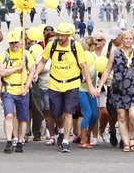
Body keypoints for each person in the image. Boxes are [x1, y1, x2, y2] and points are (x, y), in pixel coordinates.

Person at [32, 23, 93, 153]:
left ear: (68, 35)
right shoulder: (52, 45)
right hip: (55, 84)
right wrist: (36, 73)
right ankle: (60, 129)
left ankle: (65, 140)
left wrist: (91, 86)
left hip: (72, 83)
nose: (59, 37)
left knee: (68, 112)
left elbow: (84, 67)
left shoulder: (75, 46)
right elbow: (43, 60)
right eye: (58, 34)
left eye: (62, 35)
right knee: (56, 113)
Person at [98, 30, 134, 152]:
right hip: (119, 89)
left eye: (131, 39)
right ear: (122, 40)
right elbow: (108, 70)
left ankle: (132, 137)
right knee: (122, 116)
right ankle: (125, 142)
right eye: (126, 39)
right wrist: (100, 87)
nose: (129, 41)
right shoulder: (115, 53)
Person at [0, 30, 35, 153]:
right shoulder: (5, 55)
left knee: (23, 118)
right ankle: (9, 141)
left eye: (16, 42)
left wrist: (26, 87)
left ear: (20, 42)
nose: (14, 45)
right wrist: (16, 68)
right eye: (11, 43)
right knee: (9, 115)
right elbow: (1, 72)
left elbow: (32, 72)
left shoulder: (25, 55)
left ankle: (20, 141)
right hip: (9, 89)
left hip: (22, 89)